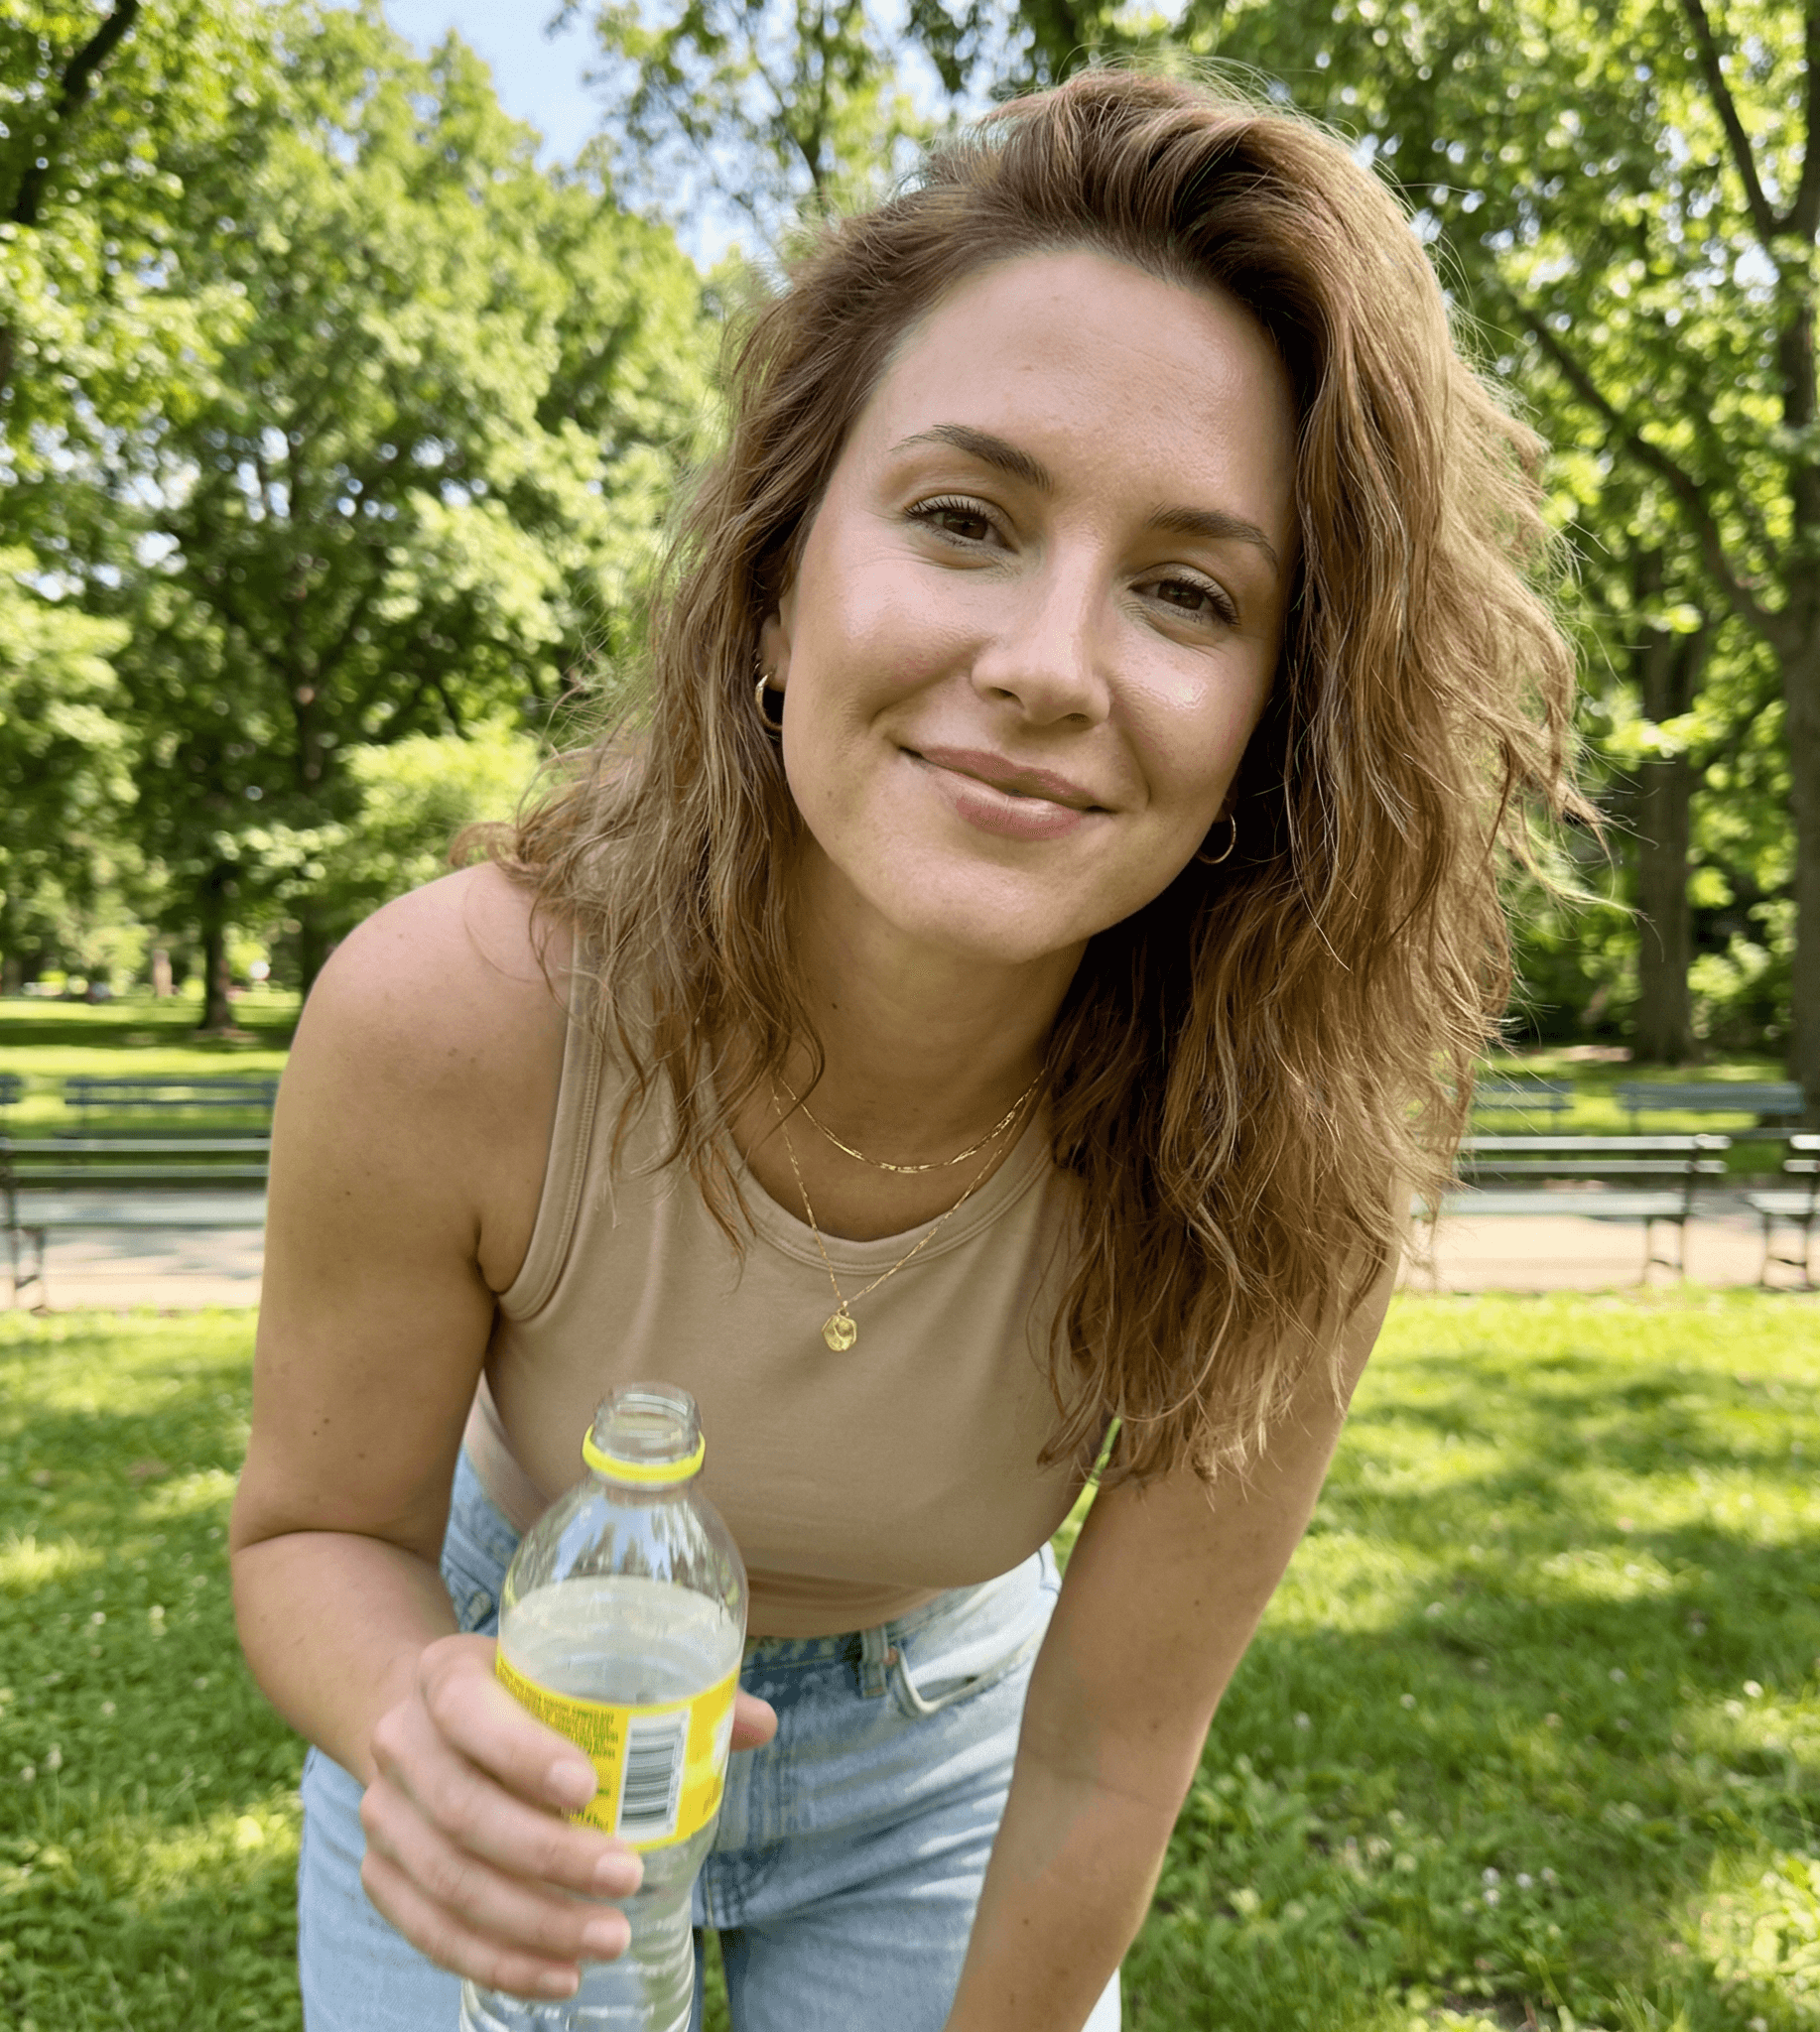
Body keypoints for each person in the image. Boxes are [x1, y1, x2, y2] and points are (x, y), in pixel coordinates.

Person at [229, 66, 1575, 2032]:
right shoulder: (458, 1017)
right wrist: (417, 1713)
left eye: (1188, 591)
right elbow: (318, 1529)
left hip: (959, 1742)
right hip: (528, 1668)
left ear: (1268, 730)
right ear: (781, 576)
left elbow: (1112, 1743)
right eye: (963, 517)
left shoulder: (1297, 1138)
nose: (1047, 663)